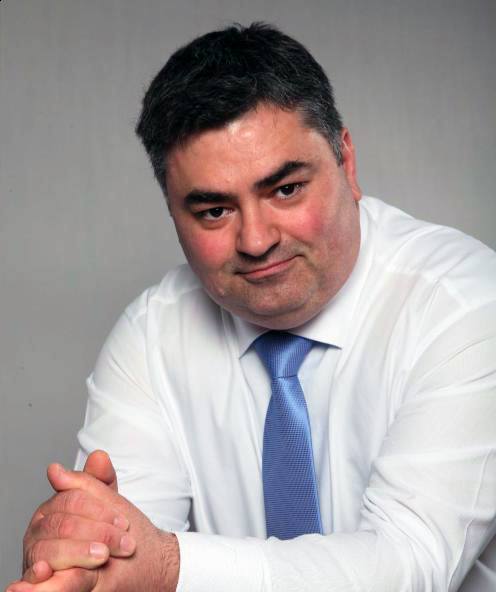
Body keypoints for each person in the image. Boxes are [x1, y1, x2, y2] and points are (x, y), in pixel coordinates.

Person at [7, 22, 496, 592]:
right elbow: (123, 552)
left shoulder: (467, 305)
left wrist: (168, 566)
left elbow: (410, 564)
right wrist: (82, 557)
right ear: (172, 214)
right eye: (214, 211)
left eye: (285, 190)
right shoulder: (151, 335)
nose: (257, 240)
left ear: (346, 162)